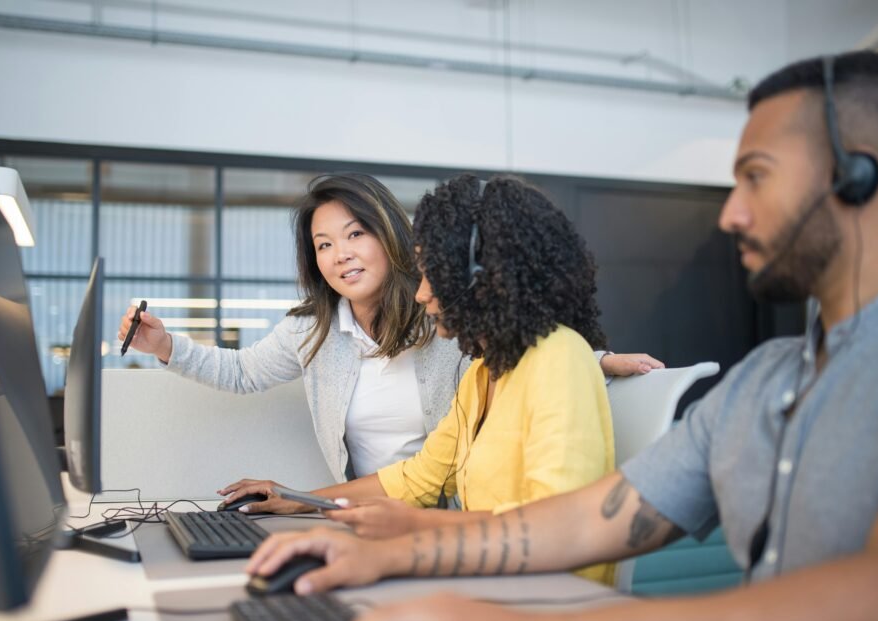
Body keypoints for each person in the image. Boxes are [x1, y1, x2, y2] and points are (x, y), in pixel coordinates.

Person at [244, 51, 878, 621]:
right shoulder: (762, 383)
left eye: (756, 177)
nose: (731, 214)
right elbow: (588, 520)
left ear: (858, 176)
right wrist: (399, 552)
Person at [118, 174, 662, 507]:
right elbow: (417, 477)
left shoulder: (471, 331)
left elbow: (524, 345)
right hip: (402, 519)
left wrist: (593, 359)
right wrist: (166, 347)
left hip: (471, 545)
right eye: (323, 244)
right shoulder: (319, 330)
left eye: (355, 234)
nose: (340, 255)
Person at [234, 173, 624, 583]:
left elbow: (555, 526)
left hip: (554, 595)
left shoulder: (559, 358)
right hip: (492, 577)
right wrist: (301, 501)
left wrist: (415, 527)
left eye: (431, 274)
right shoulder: (482, 373)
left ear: (481, 276)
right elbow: (420, 476)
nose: (420, 294)